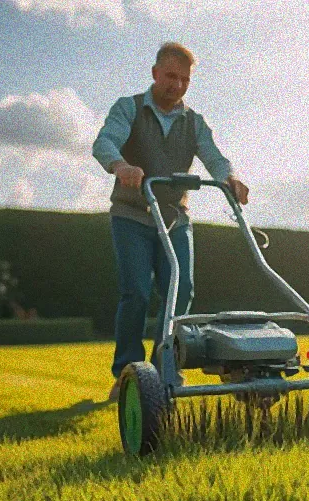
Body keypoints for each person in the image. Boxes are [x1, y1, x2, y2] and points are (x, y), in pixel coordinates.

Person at [92, 42, 250, 401]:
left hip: (176, 218)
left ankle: (164, 365)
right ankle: (128, 373)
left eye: (184, 79)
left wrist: (231, 178)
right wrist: (121, 166)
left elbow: (214, 157)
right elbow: (104, 143)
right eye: (170, 77)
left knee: (182, 290)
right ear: (155, 74)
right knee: (136, 292)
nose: (176, 85)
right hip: (131, 215)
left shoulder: (194, 122)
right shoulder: (128, 108)